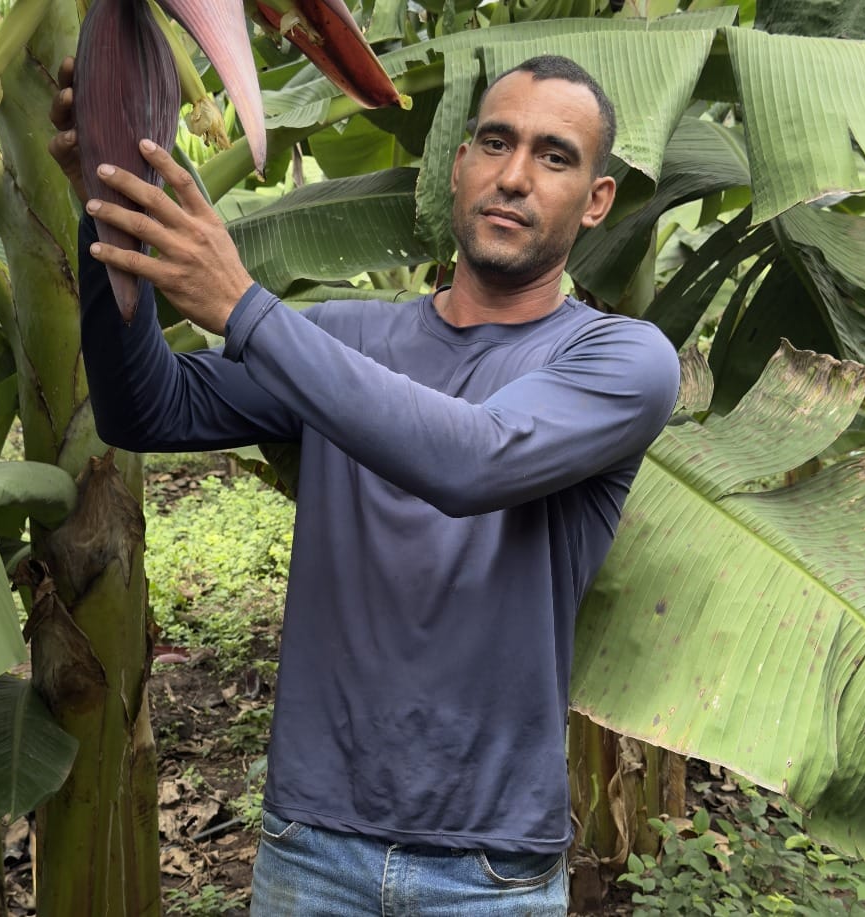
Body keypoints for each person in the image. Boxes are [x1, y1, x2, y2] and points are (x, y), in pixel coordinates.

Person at [51, 53, 680, 915]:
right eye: (494, 142)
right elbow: (147, 411)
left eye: (554, 155)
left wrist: (243, 306)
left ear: (596, 199)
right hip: (311, 848)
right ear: (458, 165)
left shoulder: (619, 359)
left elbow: (472, 460)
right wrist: (111, 216)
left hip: (487, 872)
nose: (514, 176)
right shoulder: (344, 335)